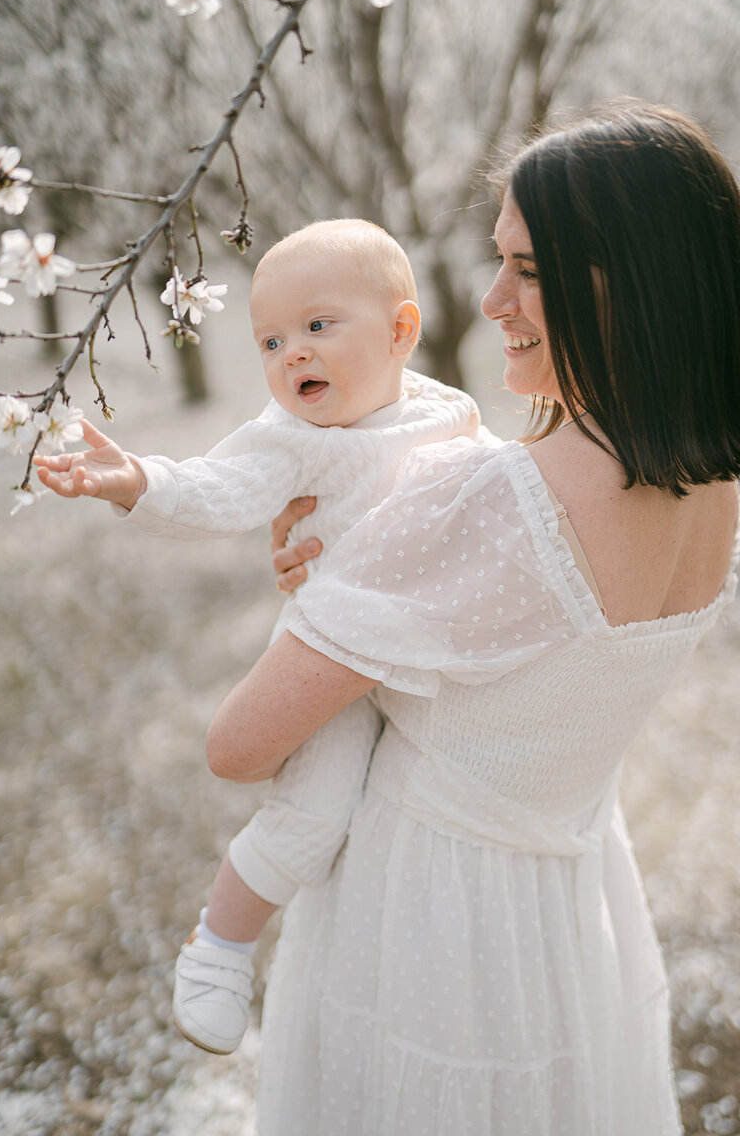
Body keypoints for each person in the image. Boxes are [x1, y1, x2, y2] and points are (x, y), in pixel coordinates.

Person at [203, 102, 740, 1135]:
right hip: (566, 919)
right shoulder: (713, 488)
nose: (490, 298)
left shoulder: (492, 506)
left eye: (530, 270)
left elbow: (239, 745)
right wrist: (358, 569)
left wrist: (324, 593)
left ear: (633, 277)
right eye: (498, 261)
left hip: (423, 929)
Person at [33, 218, 481, 1055]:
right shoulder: (292, 439)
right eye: (271, 340)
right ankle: (221, 947)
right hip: (334, 653)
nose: (292, 355)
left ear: (402, 332)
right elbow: (222, 486)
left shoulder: (448, 411)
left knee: (417, 817)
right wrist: (134, 481)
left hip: (427, 653)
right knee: (311, 812)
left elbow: (495, 494)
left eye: (318, 327)